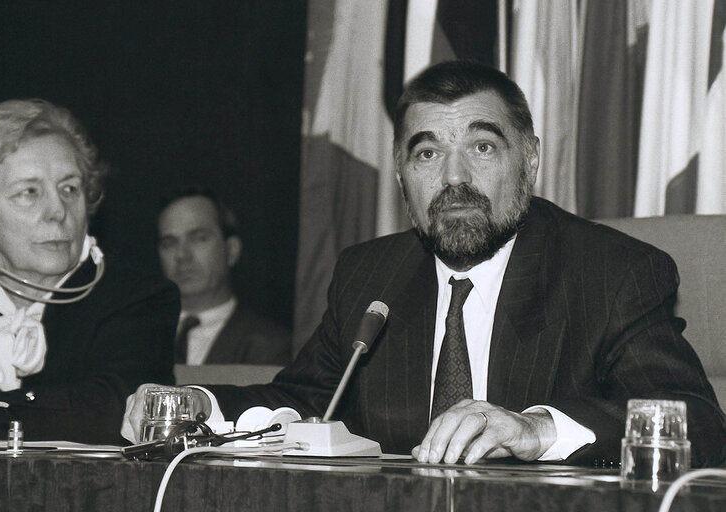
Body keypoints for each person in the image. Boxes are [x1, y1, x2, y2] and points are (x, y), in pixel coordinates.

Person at [124, 61, 726, 467]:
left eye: (482, 148)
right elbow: (308, 401)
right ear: (402, 177)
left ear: (531, 161)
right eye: (428, 153)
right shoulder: (369, 276)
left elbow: (695, 423)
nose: (455, 179)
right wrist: (207, 409)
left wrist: (538, 429)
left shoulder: (613, 272)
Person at [0, 99, 179, 444]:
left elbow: (119, 408)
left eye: (70, 189)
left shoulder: (138, 296)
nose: (57, 211)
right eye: (29, 192)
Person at [157, 188, 292, 366]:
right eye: (169, 243)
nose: (182, 255)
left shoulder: (270, 345)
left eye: (199, 238)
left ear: (231, 250)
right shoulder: (135, 339)